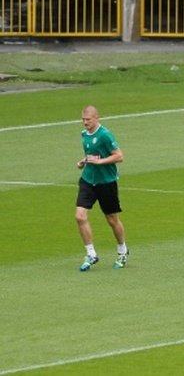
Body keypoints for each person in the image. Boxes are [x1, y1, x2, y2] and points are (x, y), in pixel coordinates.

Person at [75, 105, 129, 271]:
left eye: (88, 120)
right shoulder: (84, 134)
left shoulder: (105, 135)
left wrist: (101, 162)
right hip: (88, 180)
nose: (85, 123)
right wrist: (83, 161)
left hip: (106, 182)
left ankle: (122, 250)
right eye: (83, 120)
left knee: (112, 219)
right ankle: (91, 254)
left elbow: (119, 156)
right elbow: (92, 153)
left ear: (97, 118)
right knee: (80, 216)